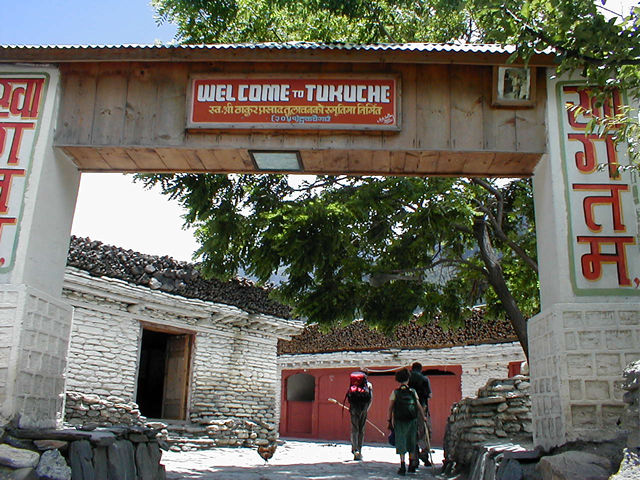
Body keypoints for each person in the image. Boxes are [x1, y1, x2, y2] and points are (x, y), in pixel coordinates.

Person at [388, 368, 426, 475]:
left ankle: (402, 465)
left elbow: (390, 408)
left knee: (401, 441)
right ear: (408, 379)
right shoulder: (412, 392)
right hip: (412, 420)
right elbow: (418, 405)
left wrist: (389, 420)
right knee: (411, 441)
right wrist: (423, 417)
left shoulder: (395, 392)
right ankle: (411, 465)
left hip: (399, 421)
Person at [408, 362, 432, 467]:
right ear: (420, 369)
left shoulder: (407, 379)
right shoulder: (424, 379)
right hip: (422, 409)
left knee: (412, 433)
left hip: (408, 410)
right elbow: (429, 394)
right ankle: (424, 454)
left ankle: (413, 459)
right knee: (425, 432)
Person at [346, 368, 372, 461]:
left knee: (354, 429)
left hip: (353, 409)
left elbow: (349, 397)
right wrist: (366, 410)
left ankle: (354, 449)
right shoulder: (368, 385)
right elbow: (370, 399)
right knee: (361, 430)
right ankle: (359, 450)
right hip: (363, 409)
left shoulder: (353, 384)